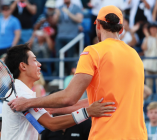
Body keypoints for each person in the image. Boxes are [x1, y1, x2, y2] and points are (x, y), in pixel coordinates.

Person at [8, 6, 147, 140]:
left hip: (107, 135)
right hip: (138, 135)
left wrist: (28, 103)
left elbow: (69, 97)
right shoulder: (135, 56)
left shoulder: (93, 51)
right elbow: (100, 102)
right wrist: (50, 107)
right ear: (121, 29)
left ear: (98, 25)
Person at [2, 44, 116, 140]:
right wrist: (88, 112)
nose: (39, 64)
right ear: (23, 66)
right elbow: (52, 124)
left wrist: (96, 101)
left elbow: (63, 107)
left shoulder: (21, 92)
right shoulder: (21, 94)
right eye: (35, 60)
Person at [53, 0, 83, 75]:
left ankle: (70, 75)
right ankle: (58, 75)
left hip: (72, 36)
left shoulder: (76, 7)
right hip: (60, 35)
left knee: (70, 57)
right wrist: (58, 15)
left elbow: (79, 19)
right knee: (58, 56)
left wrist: (68, 12)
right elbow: (54, 21)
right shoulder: (59, 8)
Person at [142, 22, 157, 93]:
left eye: (155, 28)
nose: (153, 30)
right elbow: (144, 48)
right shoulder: (146, 38)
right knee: (148, 86)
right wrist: (147, 37)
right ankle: (149, 103)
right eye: (152, 28)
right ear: (149, 30)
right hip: (148, 65)